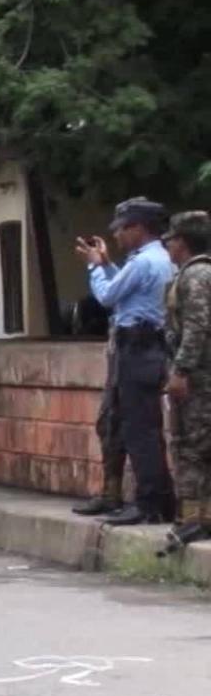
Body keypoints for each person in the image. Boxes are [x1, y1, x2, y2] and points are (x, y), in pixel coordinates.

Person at [74, 197, 176, 526]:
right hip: (146, 346)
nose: (117, 237)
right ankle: (150, 499)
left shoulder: (144, 262)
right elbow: (125, 289)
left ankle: (151, 503)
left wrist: (94, 266)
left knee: (140, 429)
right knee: (133, 425)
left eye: (121, 230)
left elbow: (107, 296)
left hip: (139, 347)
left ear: (138, 229)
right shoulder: (155, 259)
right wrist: (106, 264)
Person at [163, 211, 211, 548]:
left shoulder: (196, 277)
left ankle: (194, 519)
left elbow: (197, 327)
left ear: (182, 241)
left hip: (199, 378)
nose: (168, 245)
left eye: (171, 239)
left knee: (192, 446)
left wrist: (181, 370)